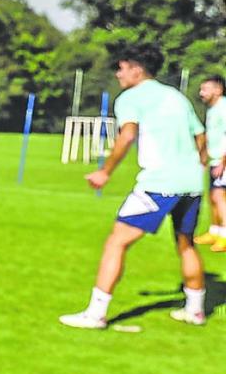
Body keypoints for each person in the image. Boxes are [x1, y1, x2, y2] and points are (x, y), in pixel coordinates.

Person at [60, 46, 209, 329]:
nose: (118, 74)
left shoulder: (130, 98)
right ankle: (196, 310)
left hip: (159, 183)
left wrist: (105, 171)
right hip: (191, 183)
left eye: (122, 67)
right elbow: (200, 135)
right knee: (186, 243)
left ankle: (95, 314)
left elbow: (127, 134)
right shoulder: (176, 96)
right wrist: (198, 164)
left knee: (116, 241)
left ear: (136, 69)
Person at [193, 74, 226, 250]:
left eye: (205, 89)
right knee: (213, 197)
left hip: (223, 161)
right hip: (215, 160)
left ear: (218, 90)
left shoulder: (223, 107)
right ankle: (215, 231)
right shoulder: (212, 109)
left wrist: (223, 162)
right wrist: (204, 157)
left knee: (219, 196)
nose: (201, 92)